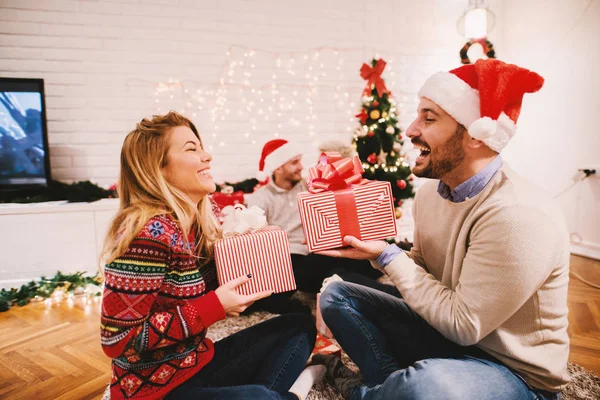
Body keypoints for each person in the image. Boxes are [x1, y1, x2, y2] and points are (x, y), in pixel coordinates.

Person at [313, 59, 570, 400]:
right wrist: (378, 254)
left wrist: (390, 256)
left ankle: (367, 391)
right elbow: (424, 270)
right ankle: (391, 388)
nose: (410, 130)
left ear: (475, 136)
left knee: (428, 386)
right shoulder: (430, 193)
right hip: (443, 335)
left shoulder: (518, 214)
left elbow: (464, 325)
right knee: (336, 295)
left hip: (512, 371)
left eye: (428, 118)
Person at [100, 112, 325, 400]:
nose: (207, 156)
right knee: (258, 397)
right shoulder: (148, 234)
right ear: (158, 167)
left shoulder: (199, 222)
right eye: (191, 149)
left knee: (298, 325)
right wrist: (214, 306)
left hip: (195, 363)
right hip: (152, 391)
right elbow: (117, 340)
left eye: (201, 146)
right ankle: (292, 391)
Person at [247, 139, 391, 297]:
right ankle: (388, 295)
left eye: (300, 161)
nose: (301, 167)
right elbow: (255, 243)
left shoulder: (312, 185)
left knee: (358, 261)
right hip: (290, 258)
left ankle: (371, 288)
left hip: (320, 251)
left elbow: (341, 171)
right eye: (295, 163)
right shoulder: (260, 198)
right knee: (329, 272)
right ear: (278, 168)